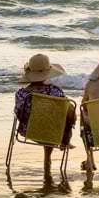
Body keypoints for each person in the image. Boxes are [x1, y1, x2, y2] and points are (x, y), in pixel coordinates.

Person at [15, 53, 75, 182]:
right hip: (54, 131)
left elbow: (19, 114)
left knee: (44, 121)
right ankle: (65, 140)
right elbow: (64, 111)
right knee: (69, 109)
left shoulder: (21, 94)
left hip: (29, 130)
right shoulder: (55, 91)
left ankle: (48, 159)